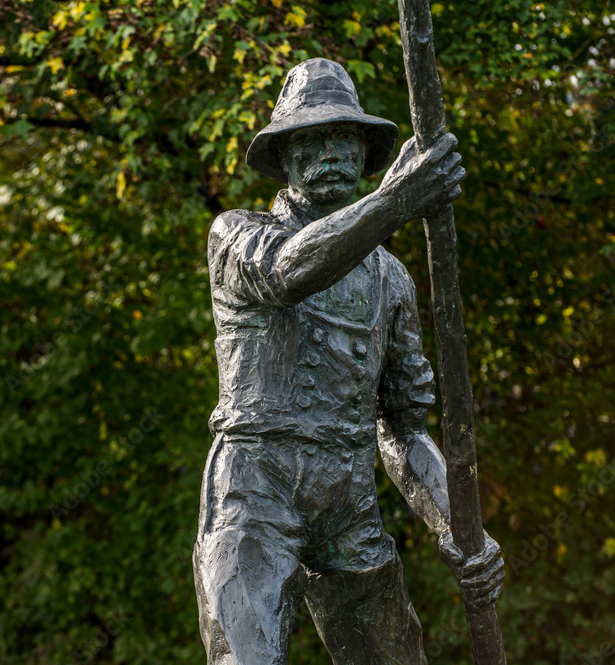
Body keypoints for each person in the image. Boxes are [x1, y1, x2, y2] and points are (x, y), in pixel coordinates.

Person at [193, 58, 504, 665]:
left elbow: (404, 428)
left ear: (363, 152)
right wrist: (396, 202)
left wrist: (457, 526)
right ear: (283, 158)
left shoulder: (391, 278)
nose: (329, 152)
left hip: (349, 492)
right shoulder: (237, 235)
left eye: (343, 137)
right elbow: (288, 273)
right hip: (256, 486)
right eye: (309, 140)